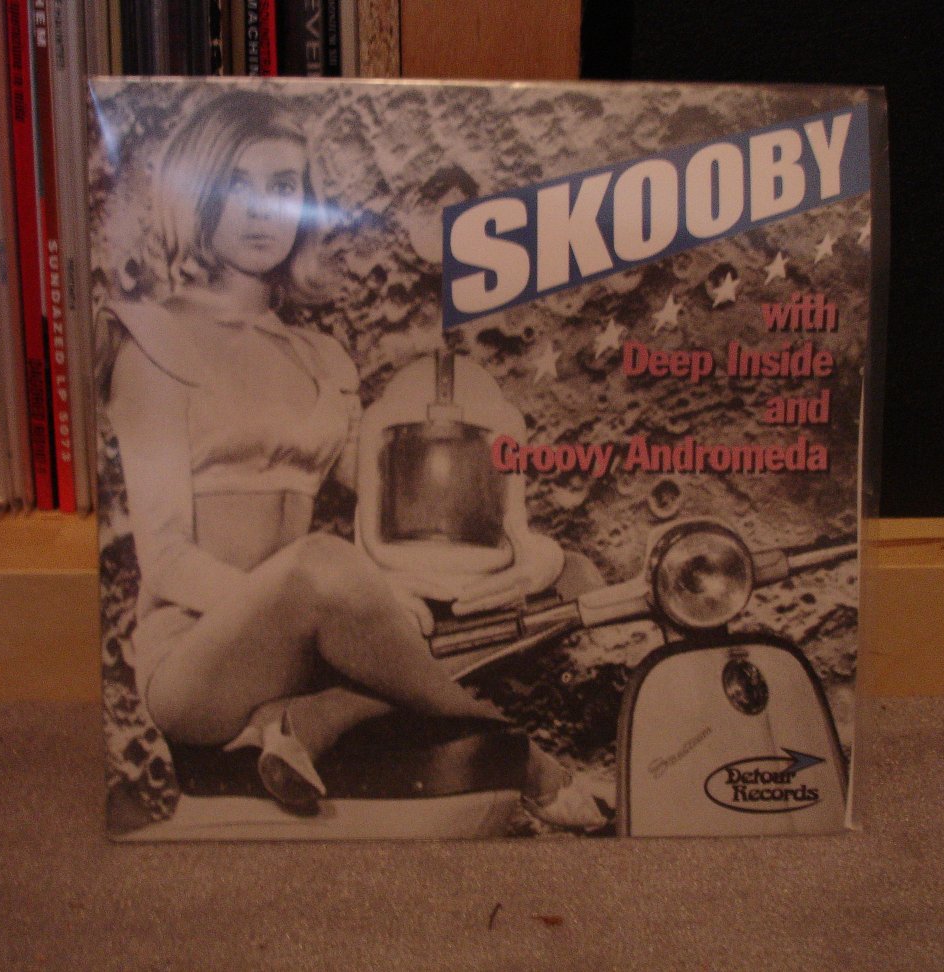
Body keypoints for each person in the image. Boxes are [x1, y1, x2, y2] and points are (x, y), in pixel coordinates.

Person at [99, 90, 603, 830]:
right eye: (236, 185)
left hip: (318, 637)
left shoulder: (321, 358)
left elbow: (396, 511)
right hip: (199, 662)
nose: (263, 211)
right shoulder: (151, 344)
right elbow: (169, 562)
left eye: (283, 187)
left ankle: (313, 720)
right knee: (322, 564)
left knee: (571, 579)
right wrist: (335, 605)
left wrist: (528, 551)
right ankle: (519, 754)